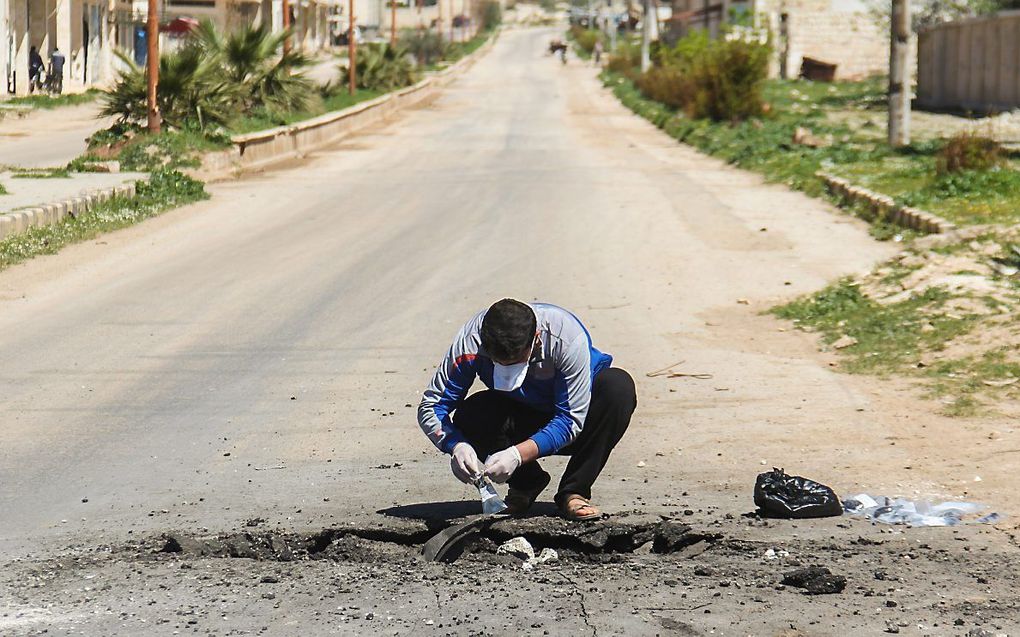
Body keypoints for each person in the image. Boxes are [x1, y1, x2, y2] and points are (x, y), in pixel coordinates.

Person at [418, 299, 636, 521]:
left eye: (516, 363)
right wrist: (456, 445)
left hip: (576, 418)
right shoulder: (470, 342)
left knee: (618, 388)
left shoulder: (566, 338)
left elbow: (570, 420)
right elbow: (431, 406)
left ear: (537, 339)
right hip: (520, 413)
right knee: (472, 412)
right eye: (499, 364)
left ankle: (574, 490)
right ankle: (526, 484)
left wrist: (516, 455)